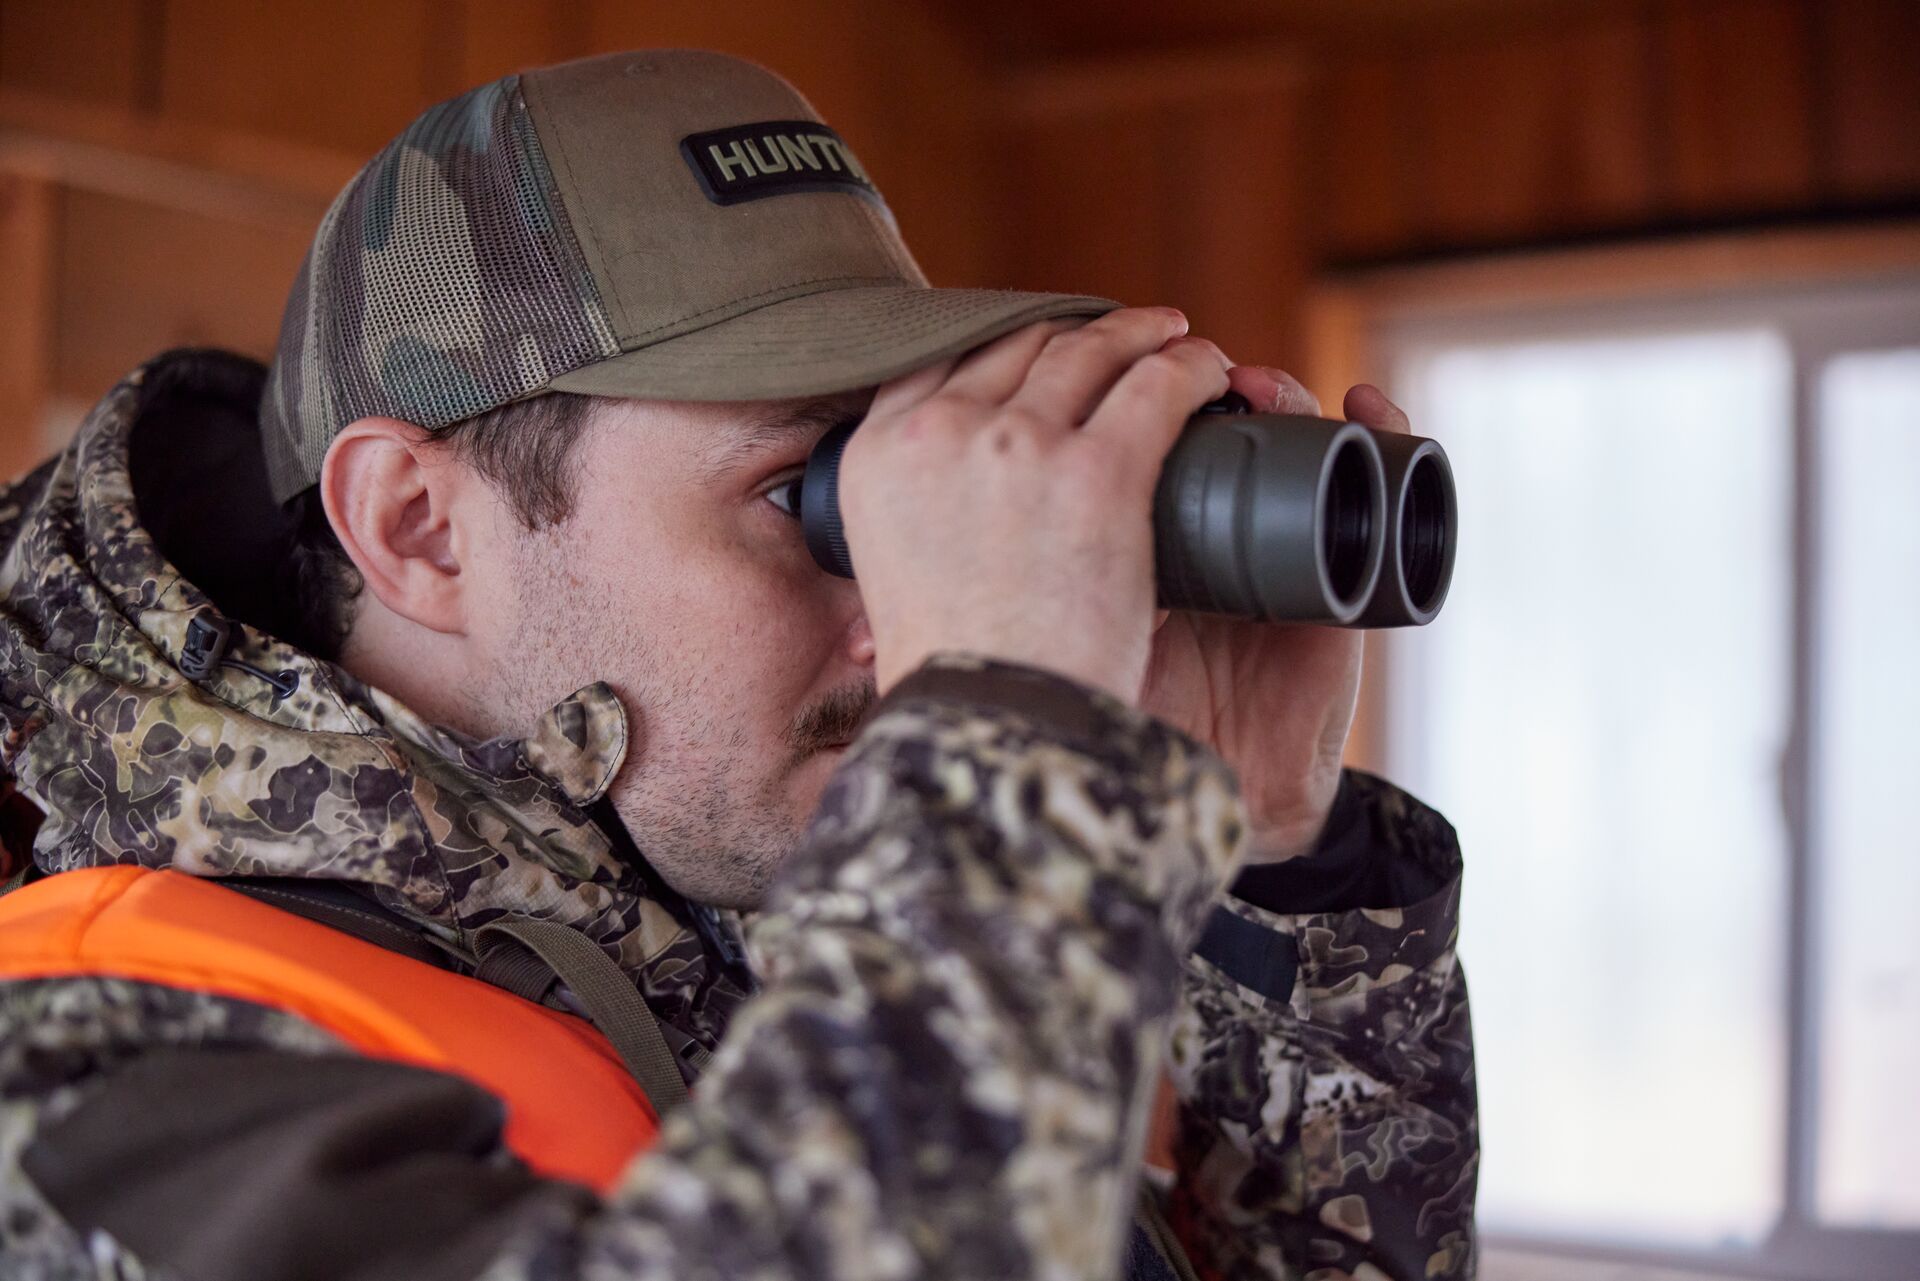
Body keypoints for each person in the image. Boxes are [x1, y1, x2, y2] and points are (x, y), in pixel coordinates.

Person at [0, 49, 1477, 1281]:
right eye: (810, 498)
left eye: (905, 498)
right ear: (422, 528)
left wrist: (1276, 863)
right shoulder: (95, 1067)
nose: (904, 621)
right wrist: (1009, 757)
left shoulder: (714, 881)